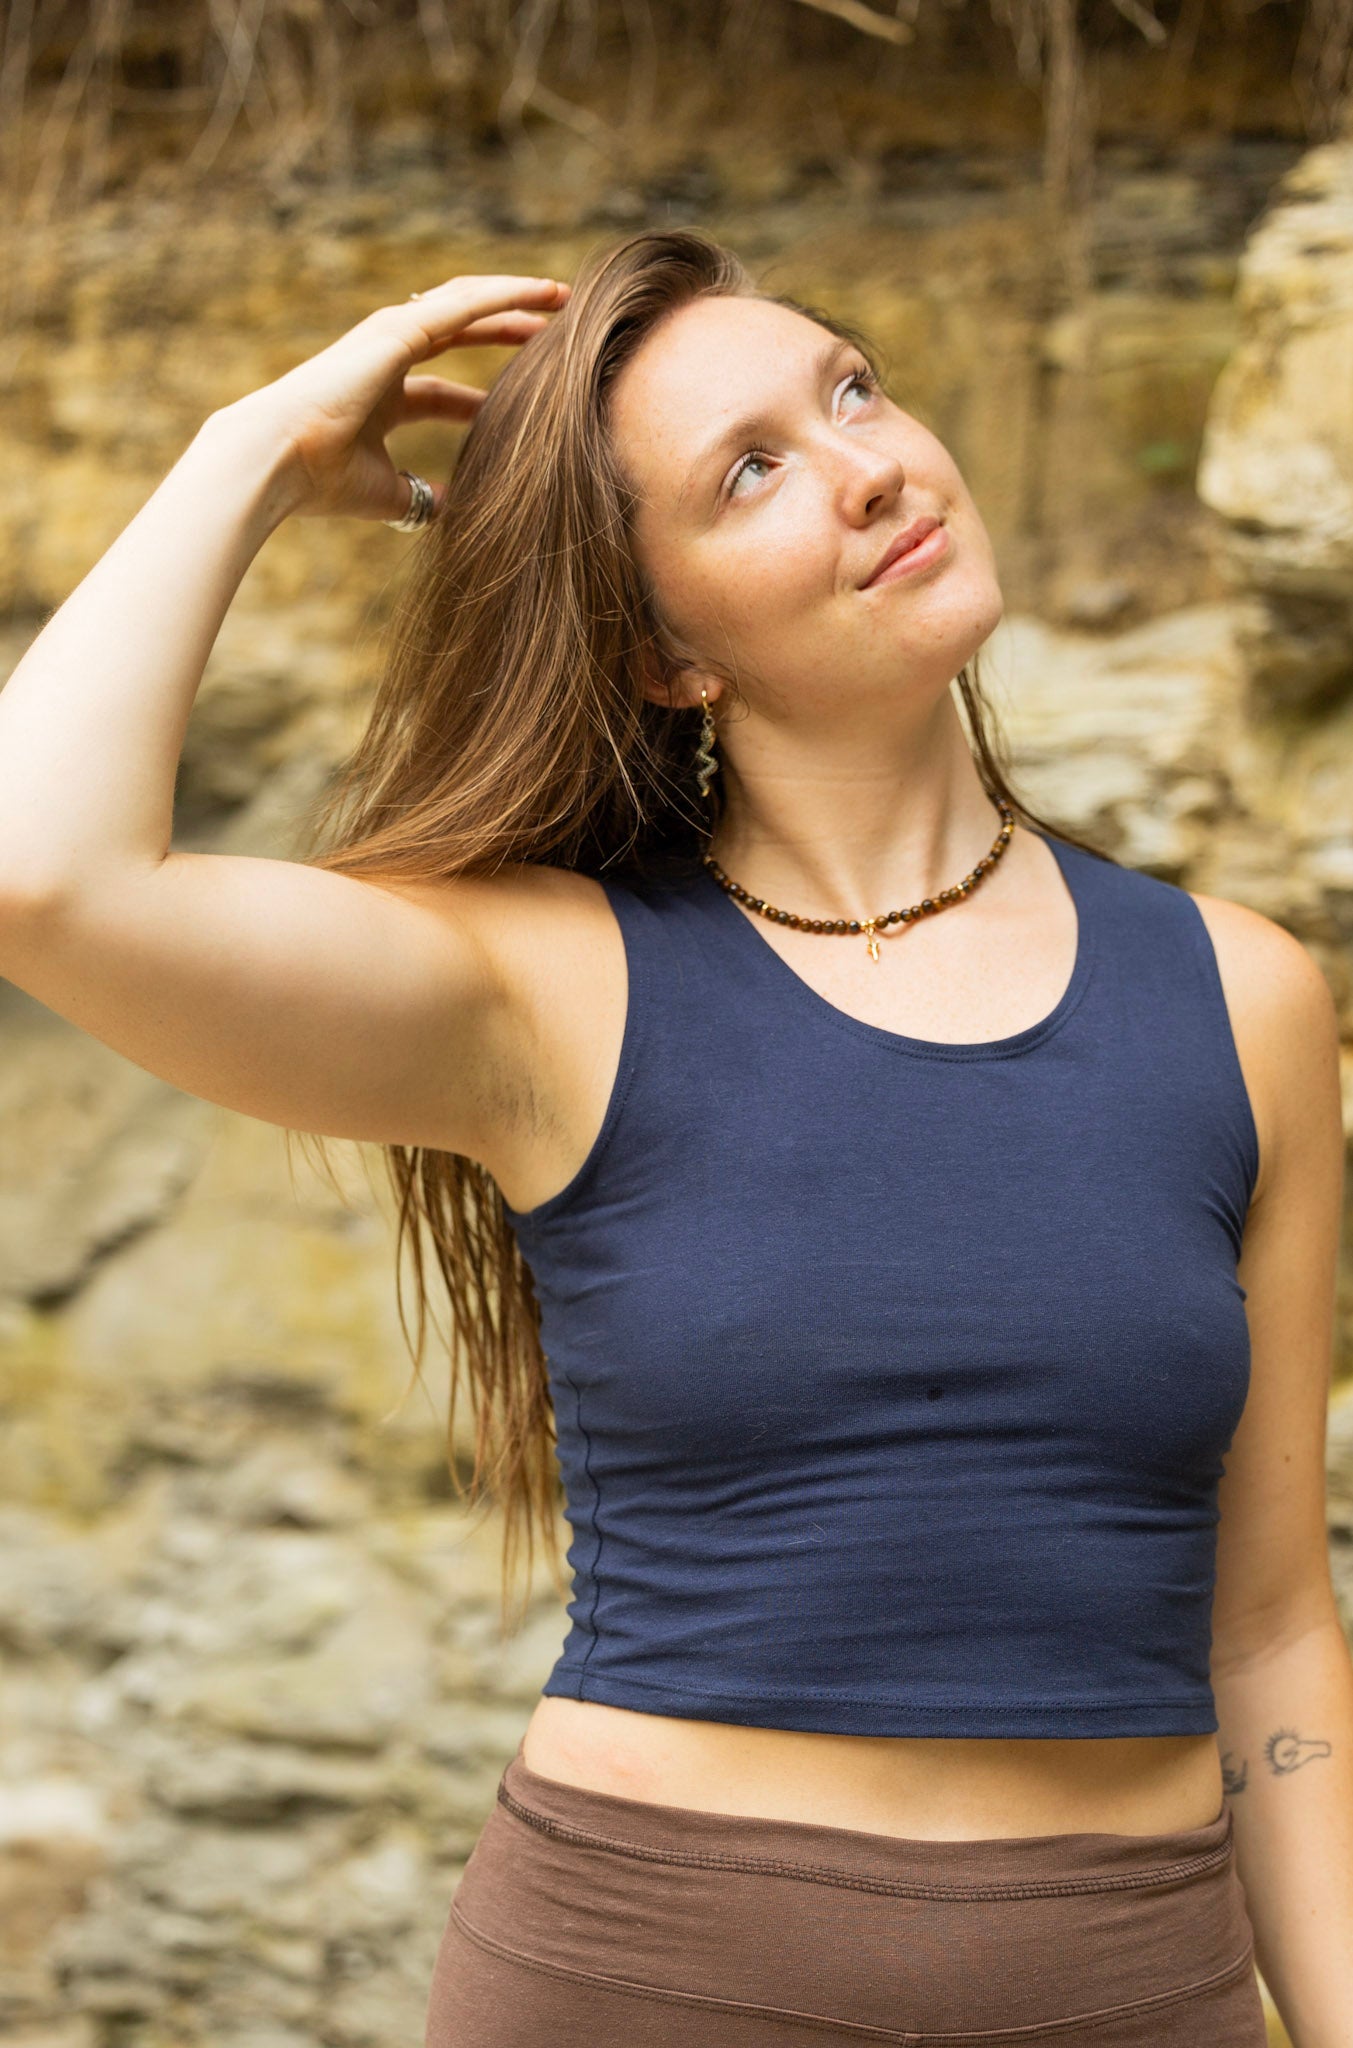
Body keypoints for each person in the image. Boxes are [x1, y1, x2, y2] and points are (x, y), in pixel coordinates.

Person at [0, 228, 1347, 2047]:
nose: (870, 462)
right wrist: (254, 446)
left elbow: (1266, 1637)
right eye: (753, 469)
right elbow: (45, 877)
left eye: (852, 386)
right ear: (661, 653)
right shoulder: (547, 991)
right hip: (653, 1980)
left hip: (1134, 1985)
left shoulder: (1239, 999)